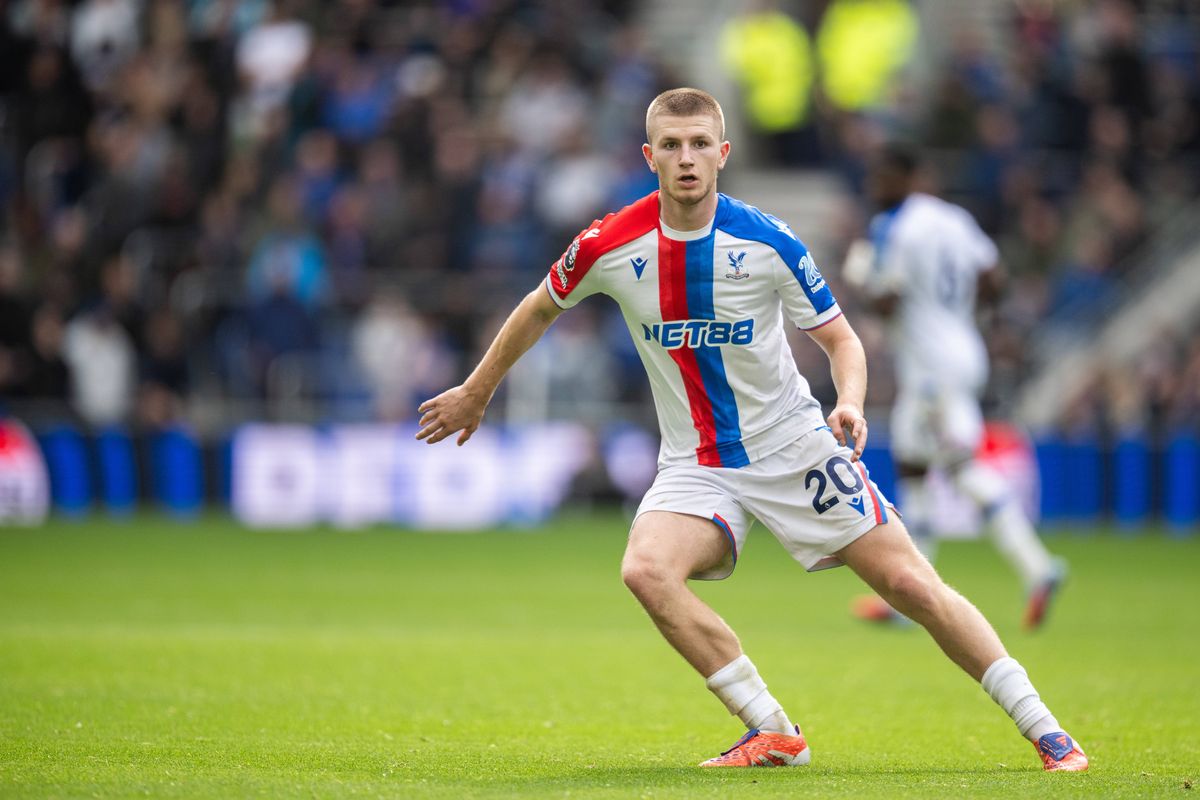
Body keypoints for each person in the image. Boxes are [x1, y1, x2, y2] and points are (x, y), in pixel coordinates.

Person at [416, 88, 1088, 772]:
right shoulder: (607, 243)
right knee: (646, 571)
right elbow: (538, 308)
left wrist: (851, 402)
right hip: (695, 462)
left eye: (699, 144)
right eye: (671, 145)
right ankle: (773, 730)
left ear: (723, 154)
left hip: (792, 446)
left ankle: (1047, 731)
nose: (686, 158)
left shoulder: (768, 240)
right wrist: (476, 391)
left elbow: (842, 340)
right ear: (649, 156)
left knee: (912, 585)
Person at [844, 144, 1066, 629]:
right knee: (912, 462)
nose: (874, 187)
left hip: (932, 367)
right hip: (962, 349)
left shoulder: (894, 227)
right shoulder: (955, 219)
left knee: (961, 467)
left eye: (881, 178)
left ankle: (1037, 566)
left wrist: (859, 280)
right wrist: (957, 312)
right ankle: (911, 594)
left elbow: (887, 303)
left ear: (905, 177)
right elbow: (994, 279)